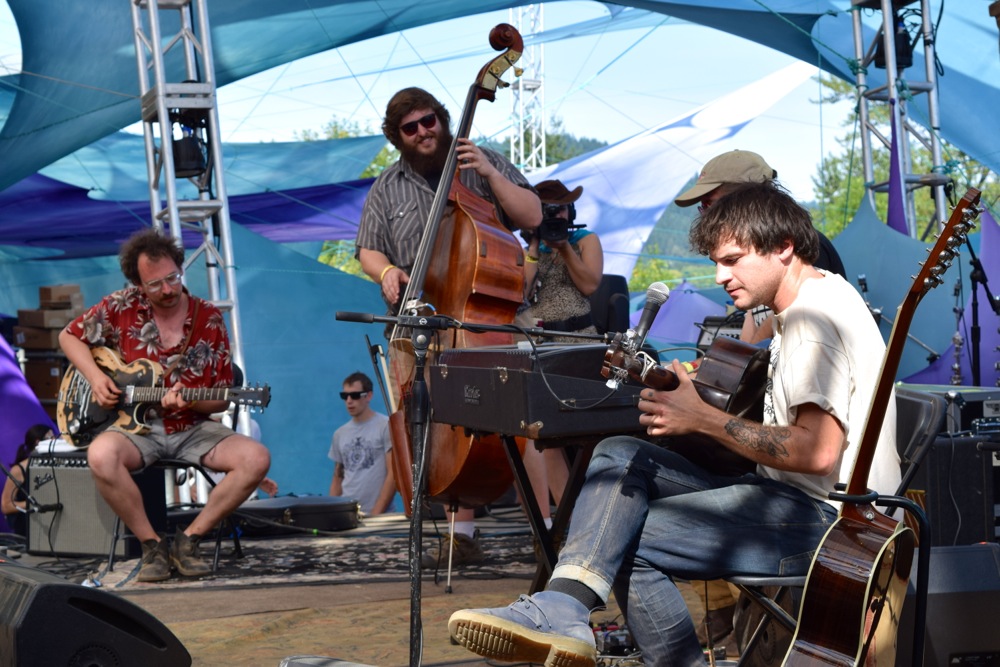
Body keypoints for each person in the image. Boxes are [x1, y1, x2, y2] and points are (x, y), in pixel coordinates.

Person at [448, 182, 900, 667]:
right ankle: (564, 605)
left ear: (784, 247)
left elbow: (817, 452)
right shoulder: (809, 301)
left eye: (732, 259)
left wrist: (702, 418)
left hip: (835, 523)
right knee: (618, 454)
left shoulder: (812, 319)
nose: (720, 275)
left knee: (625, 538)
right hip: (790, 495)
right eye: (715, 263)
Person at [355, 86, 541, 566]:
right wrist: (386, 271)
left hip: (490, 315)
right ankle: (461, 536)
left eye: (428, 121)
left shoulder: (482, 161)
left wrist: (489, 175)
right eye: (410, 127)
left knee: (520, 423)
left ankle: (550, 529)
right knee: (437, 424)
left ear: (441, 118)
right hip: (422, 320)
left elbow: (533, 216)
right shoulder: (386, 186)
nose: (423, 132)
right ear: (397, 136)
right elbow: (368, 249)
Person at [673, 149, 851, 647]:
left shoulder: (812, 305)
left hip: (814, 507)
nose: (707, 214)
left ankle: (723, 607)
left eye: (713, 203)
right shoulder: (786, 289)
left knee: (658, 486)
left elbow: (815, 451)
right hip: (789, 482)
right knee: (632, 459)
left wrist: (702, 416)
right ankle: (725, 606)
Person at [58, 228, 271, 583]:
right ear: (138, 285)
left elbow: (218, 399)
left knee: (256, 458)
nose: (168, 289)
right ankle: (152, 545)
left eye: (172, 278)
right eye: (155, 284)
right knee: (100, 456)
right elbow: (69, 335)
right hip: (135, 427)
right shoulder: (120, 306)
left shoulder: (209, 319)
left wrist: (191, 399)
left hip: (193, 427)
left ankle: (189, 540)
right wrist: (96, 378)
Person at [675, 149, 846, 347]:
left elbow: (795, 314)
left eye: (710, 204)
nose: (705, 215)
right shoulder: (757, 278)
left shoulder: (799, 247)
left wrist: (747, 355)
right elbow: (751, 329)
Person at [328, 371, 396, 515]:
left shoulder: (386, 426)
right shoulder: (339, 434)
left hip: (379, 518)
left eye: (355, 395)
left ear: (369, 395)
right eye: (345, 396)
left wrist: (376, 514)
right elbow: (338, 477)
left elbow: (394, 474)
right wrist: (331, 514)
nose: (349, 401)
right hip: (347, 516)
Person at [2, 424, 53, 537]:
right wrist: (33, 504)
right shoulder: (19, 470)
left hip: (49, 529)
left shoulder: (54, 467)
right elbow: (6, 506)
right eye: (51, 439)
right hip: (27, 530)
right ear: (38, 442)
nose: (55, 442)